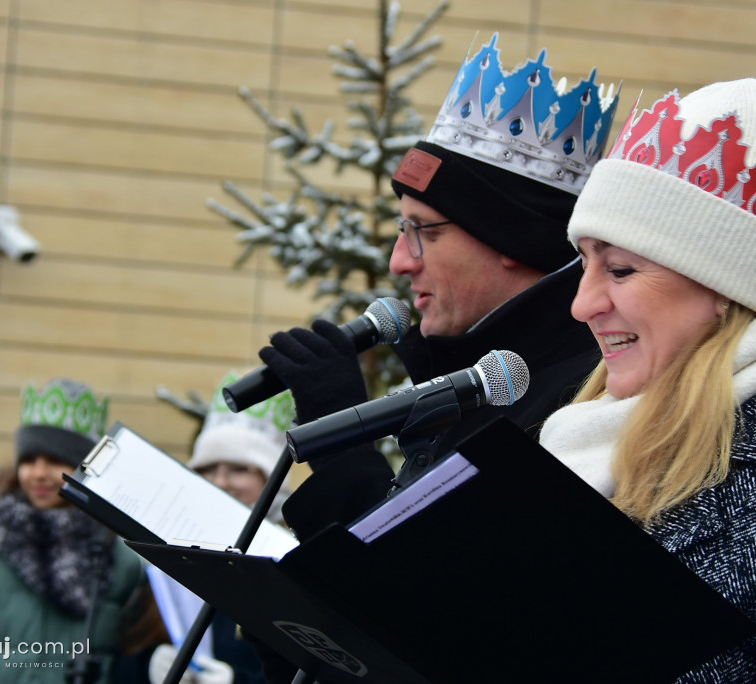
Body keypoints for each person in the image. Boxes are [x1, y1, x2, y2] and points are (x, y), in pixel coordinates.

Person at [537, 78, 756, 680]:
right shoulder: (586, 440)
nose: (582, 303)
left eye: (619, 269)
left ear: (725, 290)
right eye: (585, 263)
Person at [261, 33, 623, 540]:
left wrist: (342, 447)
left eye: (425, 231)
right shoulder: (474, 376)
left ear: (512, 238)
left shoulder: (583, 399)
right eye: (400, 229)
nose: (399, 261)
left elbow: (419, 594)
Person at [0, 379, 145, 683]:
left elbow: (126, 656)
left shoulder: (118, 556)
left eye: (56, 460)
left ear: (84, 468)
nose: (38, 473)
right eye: (29, 460)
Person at [145, 372, 294, 684]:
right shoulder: (168, 550)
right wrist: (144, 666)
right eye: (207, 469)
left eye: (240, 469)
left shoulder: (292, 557)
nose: (220, 483)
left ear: (272, 480)